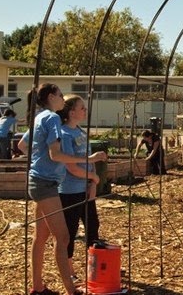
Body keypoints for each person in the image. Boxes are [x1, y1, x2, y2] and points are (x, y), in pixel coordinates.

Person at [18, 83, 107, 295]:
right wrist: (88, 159)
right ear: (51, 97)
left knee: (40, 238)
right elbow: (55, 155)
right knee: (64, 237)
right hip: (46, 184)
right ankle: (71, 290)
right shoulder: (52, 118)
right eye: (59, 95)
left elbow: (22, 145)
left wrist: (38, 161)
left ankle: (37, 287)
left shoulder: (40, 117)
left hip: (39, 181)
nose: (62, 99)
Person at [56, 95, 101, 283]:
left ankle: (97, 267)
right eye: (82, 108)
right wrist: (93, 177)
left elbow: (90, 159)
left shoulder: (81, 132)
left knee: (93, 227)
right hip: (69, 191)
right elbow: (71, 167)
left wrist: (93, 184)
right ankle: (70, 272)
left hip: (86, 189)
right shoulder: (64, 134)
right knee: (70, 232)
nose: (85, 111)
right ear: (71, 112)